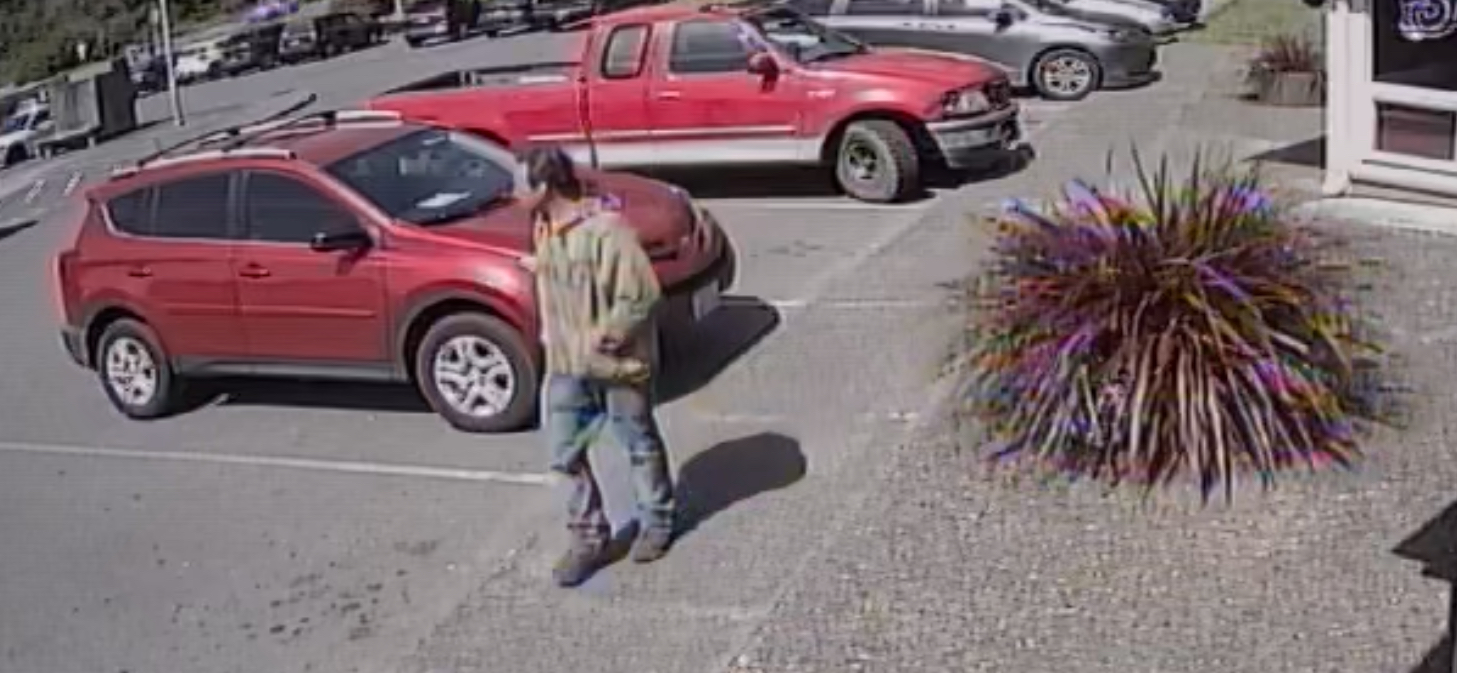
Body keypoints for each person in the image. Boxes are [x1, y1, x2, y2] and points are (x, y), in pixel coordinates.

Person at [518, 146, 677, 588]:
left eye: (519, 186)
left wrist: (605, 337)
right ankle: (589, 538)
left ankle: (657, 523)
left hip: (617, 366)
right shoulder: (544, 227)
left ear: (545, 186)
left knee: (638, 443)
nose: (512, 196)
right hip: (566, 366)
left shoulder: (608, 232)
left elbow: (641, 295)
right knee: (563, 454)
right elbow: (564, 275)